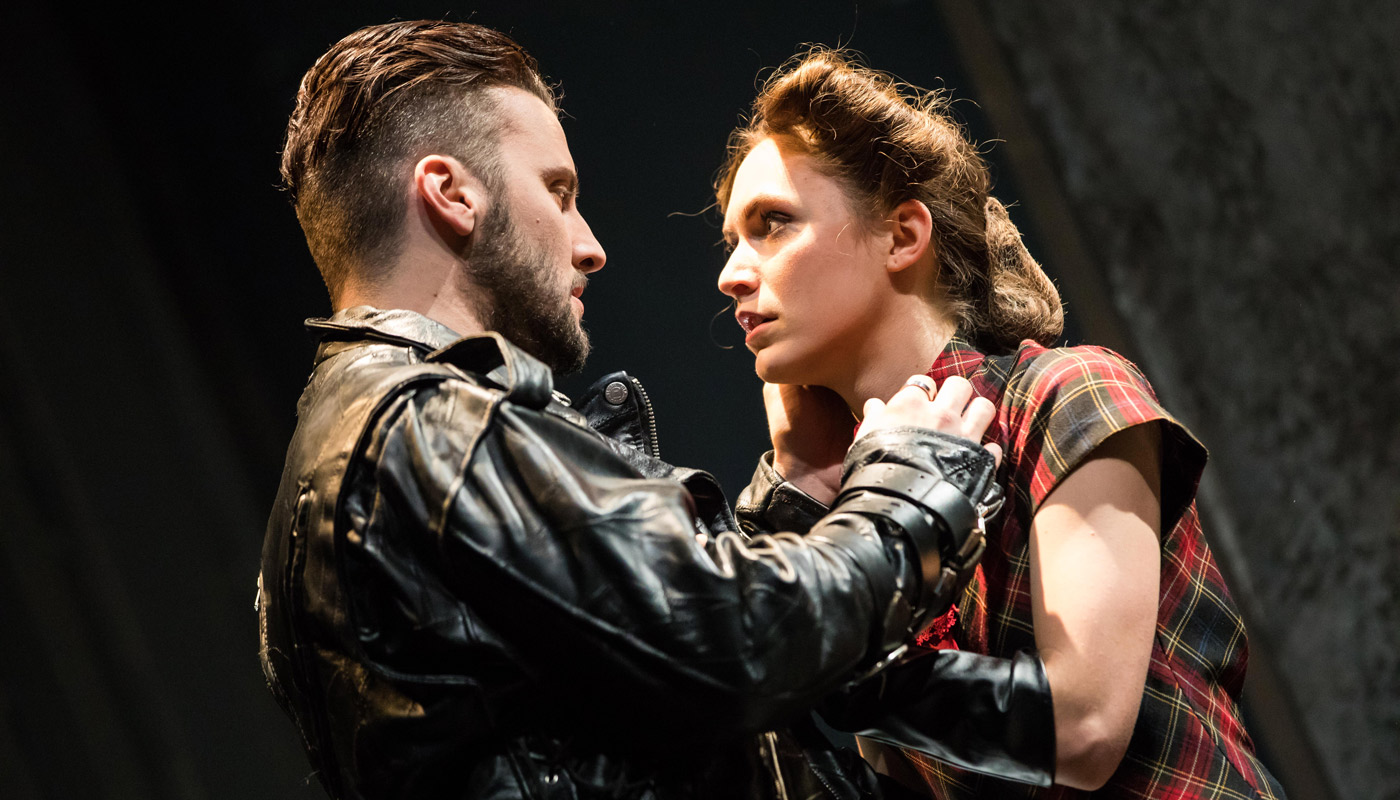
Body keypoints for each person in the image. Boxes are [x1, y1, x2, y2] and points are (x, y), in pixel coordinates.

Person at [256, 21, 1031, 800]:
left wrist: (792, 502)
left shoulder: (359, 443)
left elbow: (625, 690)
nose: (589, 245)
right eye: (558, 193)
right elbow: (731, 647)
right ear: (452, 194)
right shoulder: (429, 425)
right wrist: (910, 483)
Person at [715, 49, 1286, 799]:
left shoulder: (1068, 391)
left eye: (773, 224)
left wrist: (842, 673)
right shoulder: (864, 507)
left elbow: (1083, 730)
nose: (731, 274)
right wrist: (796, 499)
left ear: (902, 236)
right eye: (732, 241)